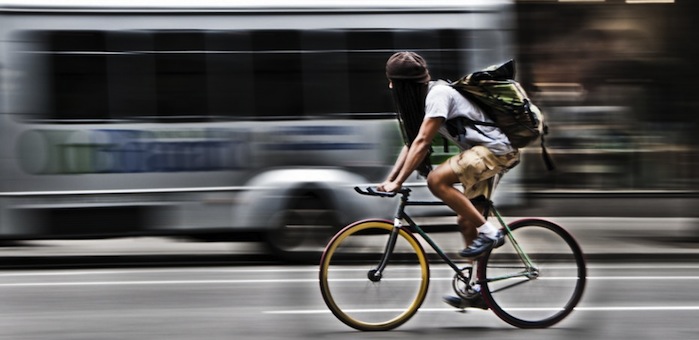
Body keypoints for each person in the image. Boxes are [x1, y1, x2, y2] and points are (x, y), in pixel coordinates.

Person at [377, 51, 520, 309]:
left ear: (401, 85)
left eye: (392, 82)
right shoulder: (425, 99)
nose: (389, 87)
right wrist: (390, 180)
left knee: (436, 180)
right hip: (483, 154)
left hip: (496, 150)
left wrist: (398, 184)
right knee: (466, 221)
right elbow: (411, 143)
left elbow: (422, 143)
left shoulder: (438, 95)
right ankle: (476, 288)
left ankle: (490, 233)